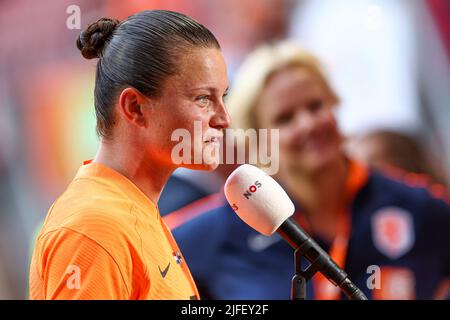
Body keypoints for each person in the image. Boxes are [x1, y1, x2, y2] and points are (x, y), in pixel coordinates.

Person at [165, 41, 450, 300]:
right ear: (257, 139)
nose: (308, 124)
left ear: (335, 105)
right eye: (285, 118)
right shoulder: (216, 231)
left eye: (316, 106)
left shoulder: (420, 207)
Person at [29, 10, 230, 300]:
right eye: (203, 98)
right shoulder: (96, 226)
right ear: (135, 107)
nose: (224, 118)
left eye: (223, 97)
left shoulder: (128, 209)